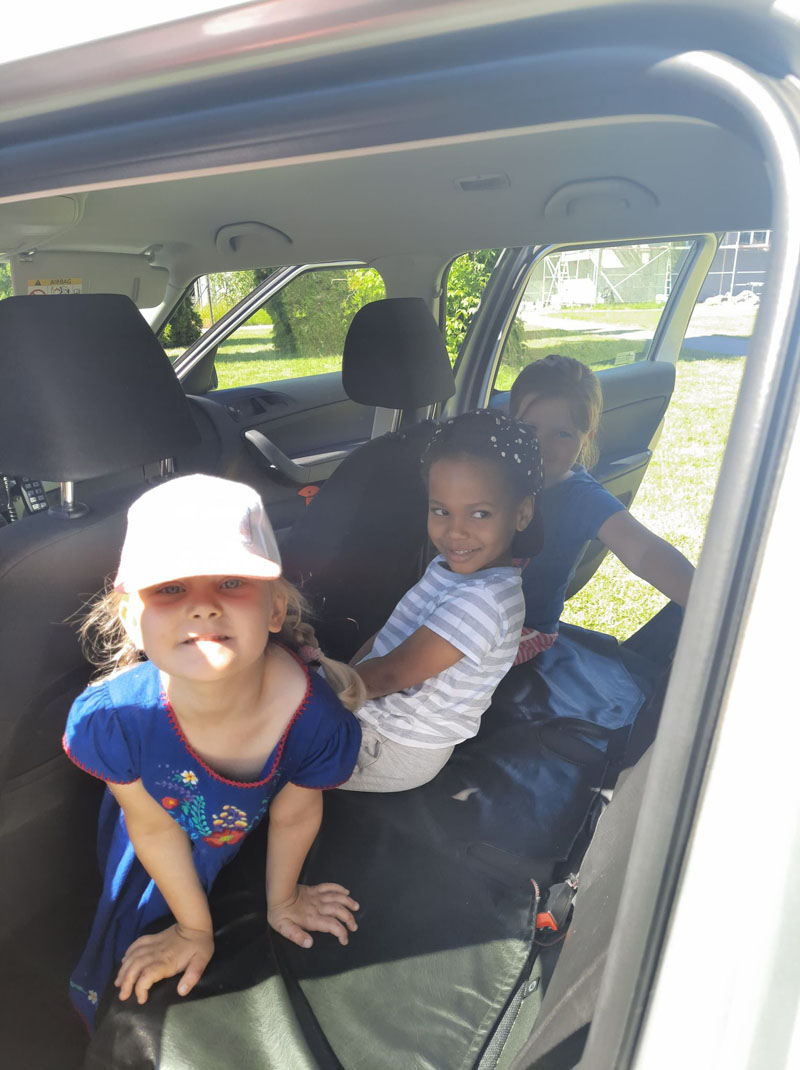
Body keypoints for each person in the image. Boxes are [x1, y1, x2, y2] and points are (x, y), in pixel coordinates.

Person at [63, 474, 364, 1031]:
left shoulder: (313, 719)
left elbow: (295, 814)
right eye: (170, 588)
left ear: (275, 609)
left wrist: (282, 901)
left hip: (239, 829)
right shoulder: (115, 720)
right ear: (131, 619)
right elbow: (152, 827)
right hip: (157, 827)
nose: (202, 607)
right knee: (132, 932)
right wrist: (192, 930)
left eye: (231, 582)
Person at [338, 409, 544, 793]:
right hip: (373, 715)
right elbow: (388, 636)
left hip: (396, 744)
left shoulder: (484, 601)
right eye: (441, 511)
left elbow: (391, 674)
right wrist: (340, 676)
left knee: (266, 747)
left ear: (522, 513)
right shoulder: (447, 567)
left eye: (479, 513)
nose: (455, 532)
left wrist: (322, 696)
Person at [508, 353, 694, 639]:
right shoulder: (490, 472)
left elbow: (643, 551)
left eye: (562, 434)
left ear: (586, 440)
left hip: (523, 633)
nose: (541, 444)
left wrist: (705, 601)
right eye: (530, 428)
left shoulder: (581, 498)